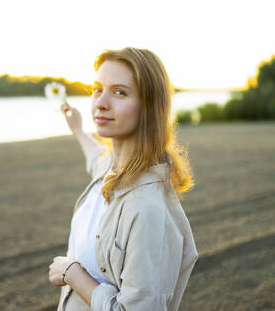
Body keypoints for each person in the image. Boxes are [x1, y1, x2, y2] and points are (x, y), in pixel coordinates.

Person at [48, 47, 198, 311]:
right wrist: (78, 130)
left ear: (149, 107)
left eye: (119, 92)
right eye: (97, 89)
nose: (101, 103)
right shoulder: (111, 171)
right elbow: (96, 159)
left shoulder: (147, 208)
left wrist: (73, 274)